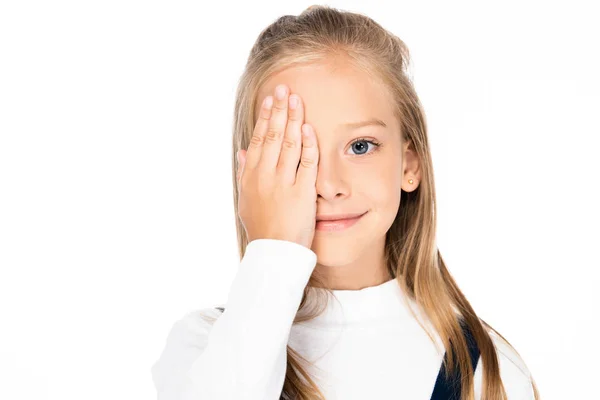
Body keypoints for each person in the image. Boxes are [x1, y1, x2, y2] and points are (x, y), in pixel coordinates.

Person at [151, 5, 540, 400]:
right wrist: (274, 251)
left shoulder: (486, 371)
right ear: (250, 173)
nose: (328, 185)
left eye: (360, 146)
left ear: (409, 163)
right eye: (297, 151)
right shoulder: (203, 349)